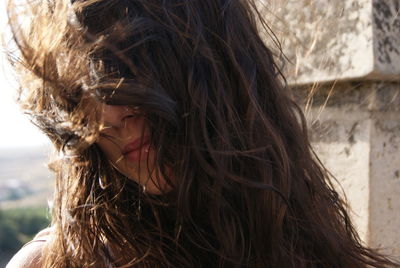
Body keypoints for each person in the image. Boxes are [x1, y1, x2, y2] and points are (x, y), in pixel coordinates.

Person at [5, 0, 399, 267]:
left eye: (126, 66)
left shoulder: (296, 233)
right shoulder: (56, 262)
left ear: (213, 70)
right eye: (81, 91)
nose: (107, 115)